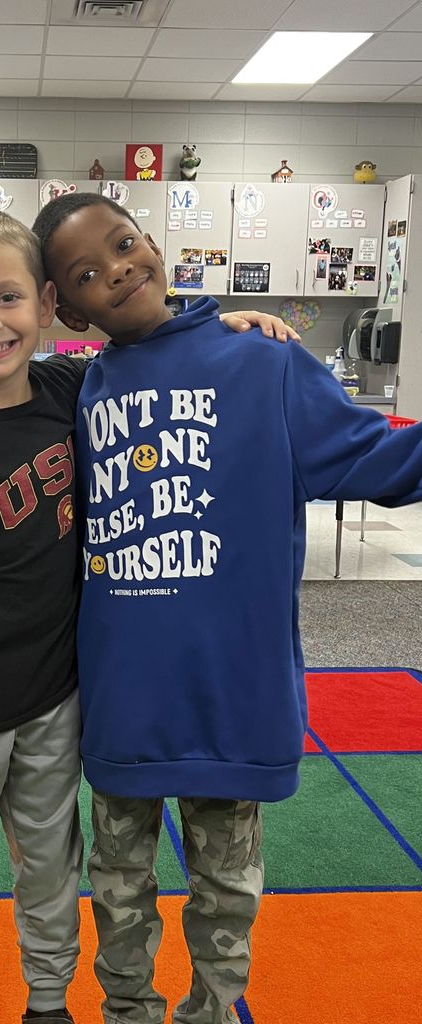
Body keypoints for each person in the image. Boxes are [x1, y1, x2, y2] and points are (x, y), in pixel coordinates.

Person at [0, 206, 297, 1024]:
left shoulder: (69, 387)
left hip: (57, 703)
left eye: (9, 299)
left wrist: (228, 324)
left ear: (47, 306)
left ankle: (48, 1003)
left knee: (53, 867)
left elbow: (155, 351)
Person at [30, 192, 422, 1024]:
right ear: (67, 307)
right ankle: (126, 1011)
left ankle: (212, 1010)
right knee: (117, 889)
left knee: (225, 891)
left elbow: (376, 461)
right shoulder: (78, 388)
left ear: (154, 241)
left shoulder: (265, 363)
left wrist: (221, 327)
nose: (121, 270)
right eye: (89, 274)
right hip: (124, 700)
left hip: (231, 696)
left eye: (127, 244)